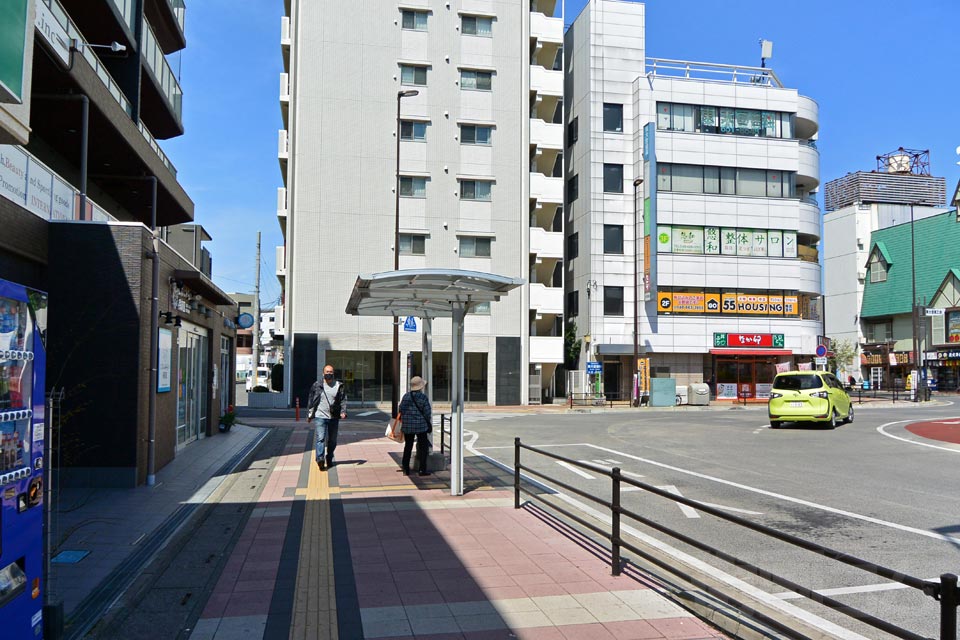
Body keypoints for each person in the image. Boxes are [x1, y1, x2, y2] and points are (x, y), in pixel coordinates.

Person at [306, 364, 347, 470]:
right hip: (320, 416)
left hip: (334, 416)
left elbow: (343, 400)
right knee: (321, 438)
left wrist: (343, 412)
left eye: (331, 372)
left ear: (333, 373)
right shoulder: (317, 385)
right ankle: (320, 459)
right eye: (327, 372)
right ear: (323, 373)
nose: (329, 374)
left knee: (332, 440)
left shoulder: (339, 385)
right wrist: (310, 414)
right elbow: (311, 400)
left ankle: (329, 457)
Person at [398, 376, 432, 477]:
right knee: (423, 447)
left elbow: (401, 410)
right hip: (421, 426)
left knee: (408, 446)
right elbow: (427, 412)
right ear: (421, 387)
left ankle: (405, 468)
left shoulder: (406, 396)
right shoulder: (423, 397)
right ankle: (422, 469)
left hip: (408, 426)